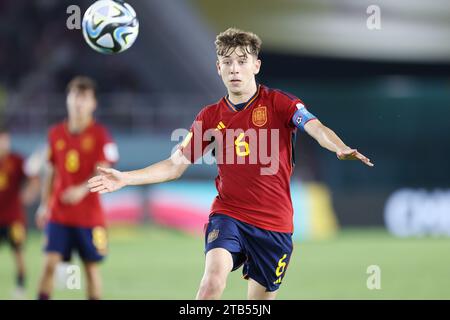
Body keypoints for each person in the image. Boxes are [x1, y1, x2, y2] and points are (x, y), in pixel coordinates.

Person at [88, 28, 373, 300]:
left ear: (256, 66)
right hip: (229, 215)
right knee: (212, 282)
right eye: (227, 62)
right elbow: (175, 165)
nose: (234, 69)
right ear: (218, 68)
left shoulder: (280, 103)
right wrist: (125, 178)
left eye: (241, 61)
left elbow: (316, 127)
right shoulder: (209, 117)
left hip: (275, 225)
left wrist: (339, 147)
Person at [36, 76, 119, 300]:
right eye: (74, 96)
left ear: (93, 103)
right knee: (50, 266)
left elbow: (104, 168)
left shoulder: (101, 135)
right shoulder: (55, 134)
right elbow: (50, 171)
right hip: (59, 213)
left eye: (84, 97)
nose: (78, 102)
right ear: (67, 100)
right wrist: (44, 205)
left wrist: (81, 190)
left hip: (89, 216)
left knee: (91, 270)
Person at [0, 127, 40, 299]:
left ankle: (20, 286)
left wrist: (30, 193)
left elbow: (33, 179)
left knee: (18, 253)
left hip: (13, 218)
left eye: (3, 140)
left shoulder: (17, 160)